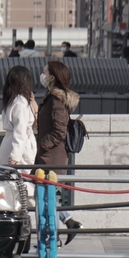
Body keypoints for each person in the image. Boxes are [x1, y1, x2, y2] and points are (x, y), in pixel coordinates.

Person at [35, 60, 83, 244]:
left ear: (52, 77)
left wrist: (41, 145)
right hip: (49, 157)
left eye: (44, 71)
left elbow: (59, 131)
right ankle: (66, 225)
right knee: (47, 196)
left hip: (51, 158)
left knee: (46, 197)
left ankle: (53, 238)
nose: (42, 74)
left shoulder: (56, 99)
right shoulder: (52, 96)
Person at [0, 65, 38, 167]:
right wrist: (15, 156)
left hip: (9, 144)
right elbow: (20, 131)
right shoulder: (20, 103)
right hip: (19, 150)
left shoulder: (12, 101)